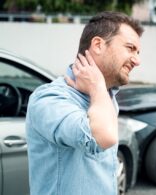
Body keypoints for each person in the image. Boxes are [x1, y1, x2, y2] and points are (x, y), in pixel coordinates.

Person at [26, 11, 144, 195]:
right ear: (98, 44)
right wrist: (97, 87)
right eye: (130, 48)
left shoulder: (104, 96)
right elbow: (103, 138)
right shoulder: (49, 99)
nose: (137, 61)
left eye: (138, 52)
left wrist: (98, 90)